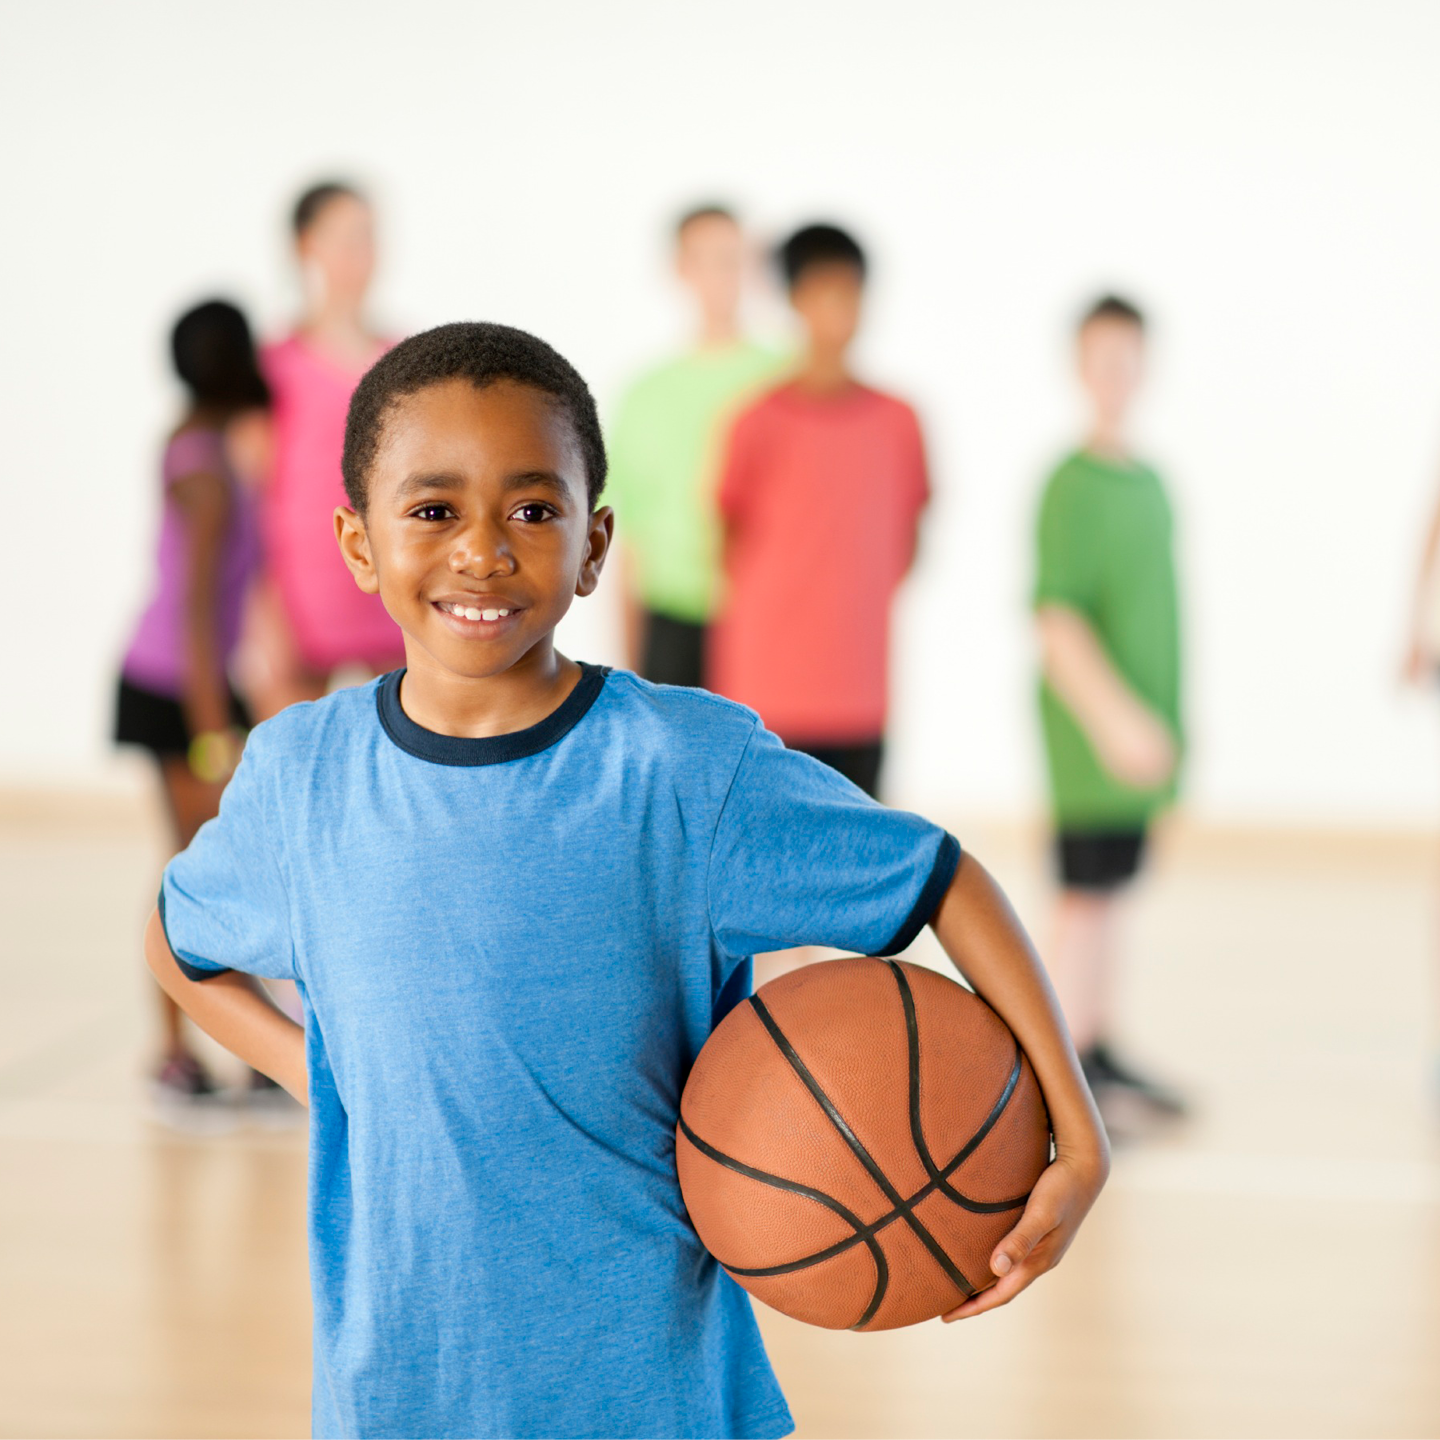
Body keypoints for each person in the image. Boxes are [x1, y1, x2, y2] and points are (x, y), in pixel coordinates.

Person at [143, 321, 1109, 1440]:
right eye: (432, 510)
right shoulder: (301, 779)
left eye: (534, 509)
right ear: (358, 545)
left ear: (596, 543)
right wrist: (323, 1074)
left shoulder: (685, 769)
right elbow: (177, 940)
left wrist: (1074, 1135)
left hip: (656, 1399)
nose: (483, 549)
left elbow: (942, 877)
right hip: (403, 1398)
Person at [1032, 293, 1186, 1123]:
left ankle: (1097, 1045)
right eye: (1101, 358)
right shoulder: (1069, 484)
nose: (1116, 376)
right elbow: (1058, 618)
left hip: (1146, 733)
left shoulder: (1153, 481)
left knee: (1115, 892)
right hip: (1094, 737)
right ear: (1079, 368)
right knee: (1084, 896)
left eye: (1129, 357)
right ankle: (1061, 1076)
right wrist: (1116, 721)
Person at [710, 223, 928, 800]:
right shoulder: (755, 422)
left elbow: (908, 542)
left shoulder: (899, 422)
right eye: (826, 294)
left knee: (861, 858)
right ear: (795, 302)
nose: (842, 313)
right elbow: (727, 543)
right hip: (767, 692)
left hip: (860, 693)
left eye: (852, 294)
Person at [115, 300, 269, 1107]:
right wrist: (214, 732)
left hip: (194, 681)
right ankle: (179, 1058)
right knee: (199, 875)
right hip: (179, 688)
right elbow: (199, 615)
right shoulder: (204, 467)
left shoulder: (198, 444)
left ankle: (233, 1058)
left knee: (208, 871)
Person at [606, 204, 784, 686]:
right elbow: (629, 533)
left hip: (769, 610)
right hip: (672, 615)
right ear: (680, 269)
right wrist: (627, 666)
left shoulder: (784, 380)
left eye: (731, 259)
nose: (719, 277)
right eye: (704, 259)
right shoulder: (645, 392)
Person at [244, 180, 401, 717]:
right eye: (346, 238)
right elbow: (251, 499)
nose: (362, 254)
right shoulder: (272, 367)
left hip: (390, 587)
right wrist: (263, 617)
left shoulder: (405, 361)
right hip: (301, 601)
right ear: (306, 247)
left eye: (370, 237)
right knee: (291, 768)